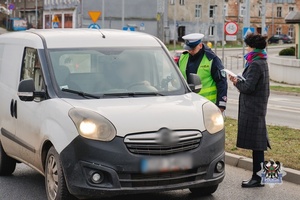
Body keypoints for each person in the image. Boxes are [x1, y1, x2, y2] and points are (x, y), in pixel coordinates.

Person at [228, 33, 271, 188]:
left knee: (257, 145)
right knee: (258, 144)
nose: (246, 48)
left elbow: (248, 87)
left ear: (253, 47)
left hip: (253, 109)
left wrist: (235, 82)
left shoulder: (255, 64)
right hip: (258, 107)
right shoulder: (261, 61)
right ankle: (261, 177)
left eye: (247, 46)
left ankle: (257, 179)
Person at [178, 33, 227, 112]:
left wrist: (221, 105)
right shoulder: (183, 57)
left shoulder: (211, 59)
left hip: (208, 105)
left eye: (193, 49)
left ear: (200, 45)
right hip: (187, 104)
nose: (190, 51)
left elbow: (222, 82)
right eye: (188, 49)